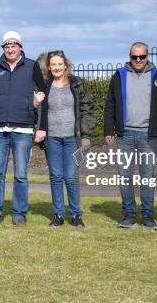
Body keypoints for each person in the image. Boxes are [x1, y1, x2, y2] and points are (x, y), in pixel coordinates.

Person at [0, 31, 46, 226]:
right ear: (3, 48)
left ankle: (19, 214)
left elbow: (42, 97)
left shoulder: (32, 67)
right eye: (7, 46)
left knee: (21, 175)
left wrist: (41, 127)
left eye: (14, 45)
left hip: (23, 130)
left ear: (20, 47)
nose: (10, 49)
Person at [104, 42, 157, 230]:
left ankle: (148, 216)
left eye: (142, 57)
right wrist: (109, 130)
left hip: (149, 136)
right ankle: (129, 215)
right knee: (125, 177)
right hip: (125, 136)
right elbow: (110, 104)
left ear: (148, 56)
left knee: (147, 177)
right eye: (134, 57)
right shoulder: (119, 75)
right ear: (130, 57)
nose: (138, 60)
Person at [35, 50, 95, 227]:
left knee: (71, 177)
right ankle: (58, 215)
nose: (56, 67)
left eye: (59, 64)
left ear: (66, 65)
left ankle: (76, 215)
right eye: (53, 64)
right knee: (55, 176)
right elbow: (37, 112)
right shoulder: (44, 86)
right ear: (48, 67)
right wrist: (38, 130)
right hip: (52, 138)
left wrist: (86, 136)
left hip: (72, 139)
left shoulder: (77, 84)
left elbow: (88, 109)